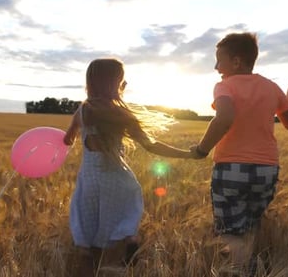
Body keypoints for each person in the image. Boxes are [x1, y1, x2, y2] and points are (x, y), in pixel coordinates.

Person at [64, 58, 192, 276]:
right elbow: (152, 146)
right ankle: (127, 248)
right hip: (118, 182)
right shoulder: (121, 114)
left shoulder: (83, 111)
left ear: (91, 81)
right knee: (119, 230)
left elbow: (68, 140)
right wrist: (187, 154)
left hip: (91, 182)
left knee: (87, 239)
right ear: (116, 82)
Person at [190, 32, 288, 275]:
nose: (216, 67)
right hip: (266, 170)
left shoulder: (224, 86)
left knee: (232, 233)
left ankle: (242, 272)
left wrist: (202, 149)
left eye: (219, 60)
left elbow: (225, 117)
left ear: (236, 62)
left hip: (231, 169)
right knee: (250, 227)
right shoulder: (271, 87)